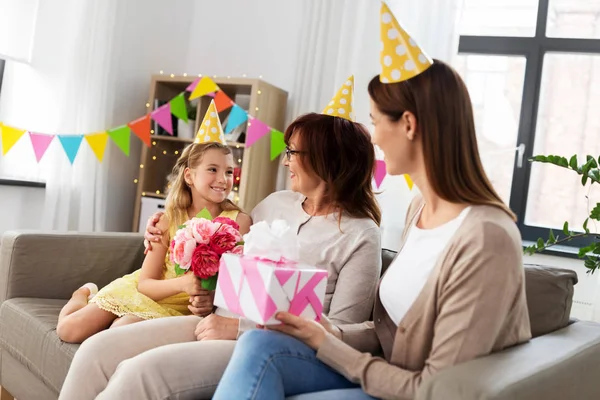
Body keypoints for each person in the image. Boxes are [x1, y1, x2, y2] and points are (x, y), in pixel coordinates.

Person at [211, 6, 532, 400]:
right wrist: (326, 333)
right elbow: (386, 331)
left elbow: (438, 388)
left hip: (413, 391)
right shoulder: (421, 210)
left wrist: (336, 350)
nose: (374, 139)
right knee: (258, 346)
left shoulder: (485, 237)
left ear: (409, 125)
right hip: (382, 373)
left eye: (377, 122)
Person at [58, 79, 383, 399]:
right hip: (215, 319)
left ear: (325, 159)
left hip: (269, 344)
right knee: (98, 349)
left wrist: (241, 329)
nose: (285, 161)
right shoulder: (275, 204)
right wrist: (159, 228)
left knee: (136, 372)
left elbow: (339, 334)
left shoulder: (360, 235)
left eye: (292, 152)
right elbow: (221, 248)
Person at [55, 139, 251, 344]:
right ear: (189, 176)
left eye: (229, 172)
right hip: (147, 293)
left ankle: (112, 319)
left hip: (179, 312)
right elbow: (145, 284)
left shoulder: (239, 222)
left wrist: (210, 299)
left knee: (117, 335)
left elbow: (236, 283)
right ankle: (83, 293)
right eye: (212, 169)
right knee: (68, 330)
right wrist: (183, 283)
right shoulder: (168, 219)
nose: (223, 179)